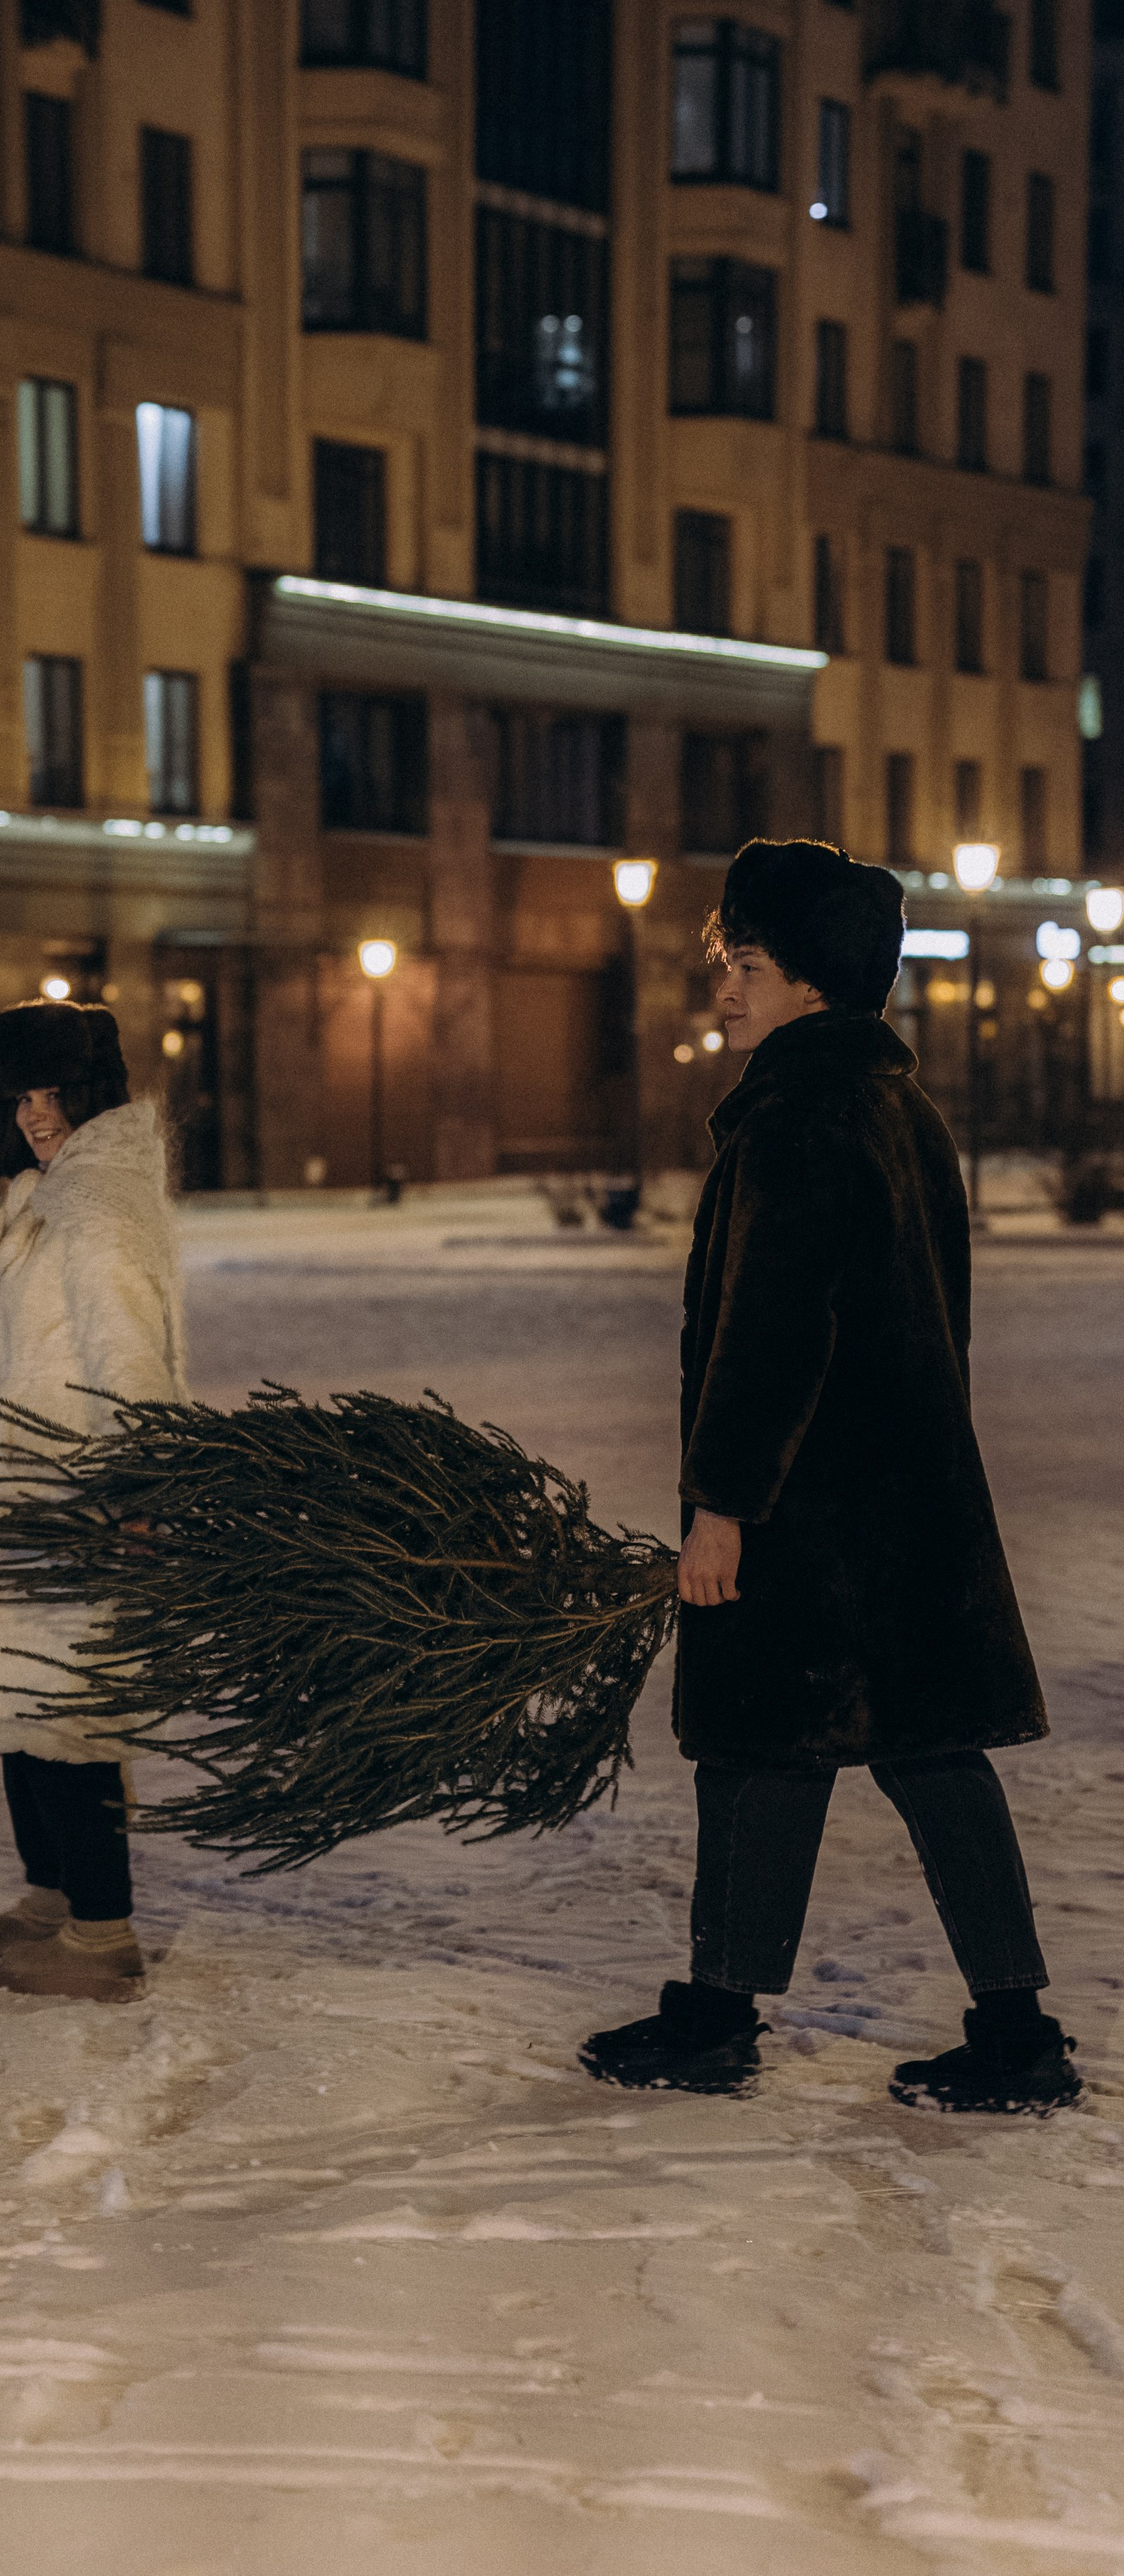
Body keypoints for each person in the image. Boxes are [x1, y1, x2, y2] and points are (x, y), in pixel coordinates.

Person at [580, 839, 1077, 2112]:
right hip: (908, 1501)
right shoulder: (901, 1109)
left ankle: (721, 2019)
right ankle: (1010, 2031)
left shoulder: (799, 1116)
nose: (724, 989)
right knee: (927, 1754)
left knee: (762, 1745)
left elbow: (772, 1333)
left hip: (809, 1509)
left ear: (809, 982)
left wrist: (723, 1507)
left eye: (746, 966)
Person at [0, 998, 186, 2004]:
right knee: (19, 1700)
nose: (35, 1114)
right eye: (19, 1096)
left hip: (79, 1485)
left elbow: (130, 1353)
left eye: (53, 1093)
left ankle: (102, 1931)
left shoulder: (98, 1203)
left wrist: (137, 1486)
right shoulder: (50, 1192)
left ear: (92, 1090)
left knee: (67, 1710)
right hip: (28, 1483)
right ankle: (50, 1899)